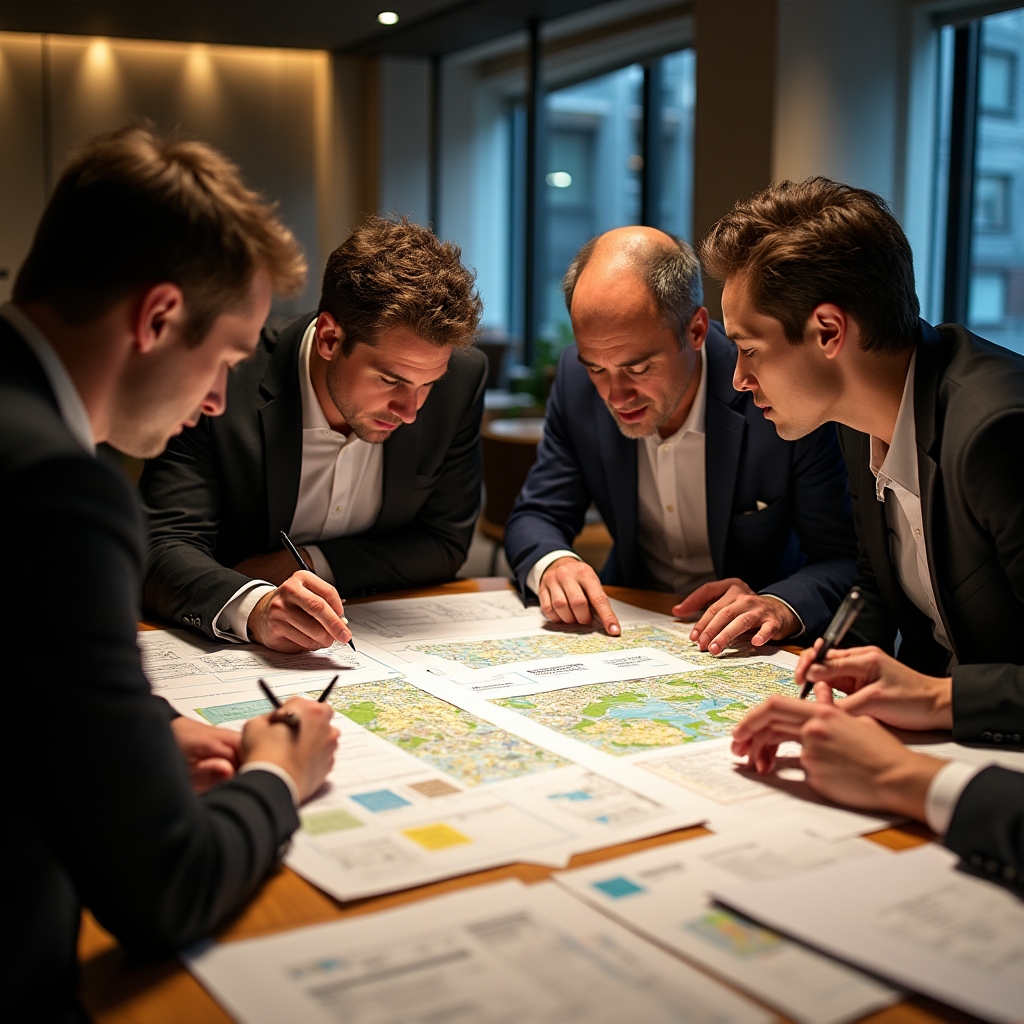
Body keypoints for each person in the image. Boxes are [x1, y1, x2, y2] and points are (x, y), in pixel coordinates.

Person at [1, 126, 338, 1022]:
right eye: (226, 357)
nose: (221, 399)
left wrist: (138, 724)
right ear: (155, 319)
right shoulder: (59, 490)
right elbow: (166, 890)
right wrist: (278, 776)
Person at [700, 177, 1024, 883]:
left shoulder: (1000, 433)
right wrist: (835, 664)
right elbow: (875, 588)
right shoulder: (856, 415)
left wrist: (940, 697)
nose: (737, 382)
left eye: (749, 350)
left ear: (827, 332)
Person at [141, 217, 486, 654]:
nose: (411, 412)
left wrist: (307, 562)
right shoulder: (223, 380)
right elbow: (162, 546)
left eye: (427, 384)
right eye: (390, 379)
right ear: (328, 337)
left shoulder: (460, 381)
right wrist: (257, 606)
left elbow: (444, 542)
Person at [504, 226, 858, 651]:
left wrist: (779, 605)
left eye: (637, 368)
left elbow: (843, 558)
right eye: (597, 368)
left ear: (695, 331)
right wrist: (553, 562)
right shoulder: (576, 382)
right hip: (628, 628)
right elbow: (536, 515)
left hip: (747, 647)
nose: (615, 396)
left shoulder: (777, 393)